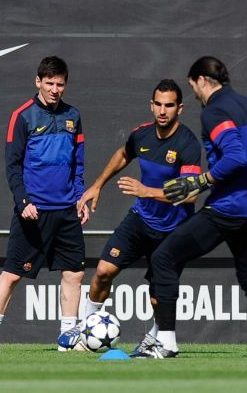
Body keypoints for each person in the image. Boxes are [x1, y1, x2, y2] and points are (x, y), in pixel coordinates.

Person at [131, 56, 247, 358]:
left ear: (202, 80)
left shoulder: (214, 111)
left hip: (227, 210)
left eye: (192, 87)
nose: (195, 94)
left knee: (163, 257)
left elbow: (235, 156)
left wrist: (200, 181)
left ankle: (167, 342)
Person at [75, 79, 202, 356]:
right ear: (151, 105)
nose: (162, 111)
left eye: (169, 105)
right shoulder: (141, 135)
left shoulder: (188, 144)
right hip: (140, 221)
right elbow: (123, 155)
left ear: (180, 108)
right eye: (158, 104)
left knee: (159, 296)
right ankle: (84, 329)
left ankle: (156, 340)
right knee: (103, 272)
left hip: (173, 230)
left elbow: (191, 194)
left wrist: (147, 190)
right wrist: (97, 185)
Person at [0, 56, 89, 352]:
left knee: (74, 273)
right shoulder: (23, 116)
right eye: (50, 83)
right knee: (13, 274)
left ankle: (68, 337)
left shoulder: (73, 116)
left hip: (66, 209)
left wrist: (80, 197)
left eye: (60, 84)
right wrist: (22, 200)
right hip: (33, 211)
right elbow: (12, 166)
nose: (55, 89)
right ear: (37, 81)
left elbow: (78, 163)